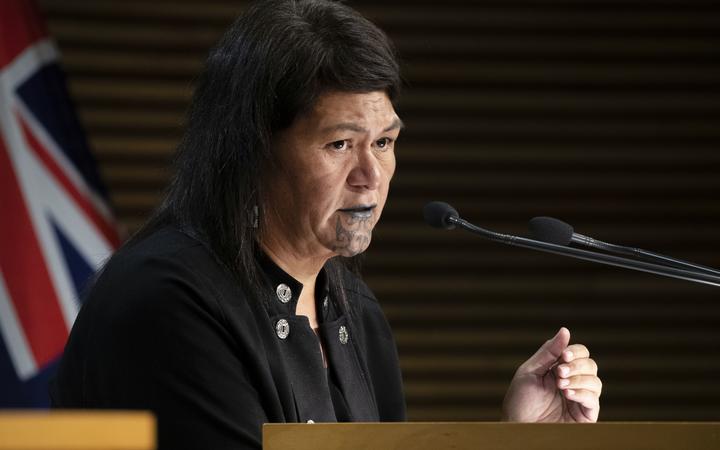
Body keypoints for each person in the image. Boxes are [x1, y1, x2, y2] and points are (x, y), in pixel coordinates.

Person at [51, 0, 602, 448]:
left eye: (383, 143)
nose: (371, 176)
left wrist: (519, 441)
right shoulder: (168, 302)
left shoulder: (355, 311)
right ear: (254, 151)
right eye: (339, 144)